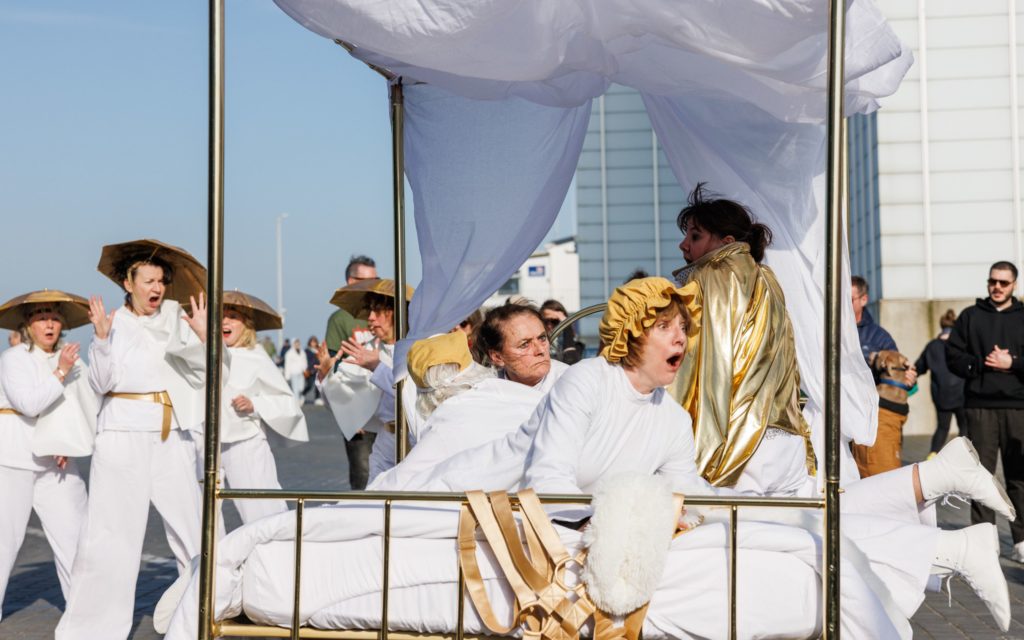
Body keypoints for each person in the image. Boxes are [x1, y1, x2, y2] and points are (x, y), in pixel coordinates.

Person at [56, 247, 210, 640]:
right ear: (128, 284)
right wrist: (103, 340)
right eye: (149, 281)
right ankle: (92, 630)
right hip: (121, 435)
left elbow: (207, 373)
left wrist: (205, 337)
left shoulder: (178, 317)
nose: (157, 288)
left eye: (161, 281)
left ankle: (201, 619)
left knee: (192, 528)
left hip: (170, 432)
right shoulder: (114, 323)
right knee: (110, 534)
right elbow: (101, 383)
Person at [0, 293, 97, 621]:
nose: (49, 322)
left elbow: (82, 408)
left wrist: (66, 441)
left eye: (54, 316)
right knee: (4, 544)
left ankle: (83, 619)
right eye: (41, 316)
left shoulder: (73, 360)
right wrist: (60, 372)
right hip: (14, 460)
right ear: (28, 324)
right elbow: (28, 404)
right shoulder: (14, 358)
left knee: (76, 540)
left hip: (58, 463)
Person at [946, 260, 1024, 562]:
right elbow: (953, 355)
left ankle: (1021, 541)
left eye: (1003, 282)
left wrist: (1012, 363)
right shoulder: (970, 316)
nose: (997, 287)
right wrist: (979, 364)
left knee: (1019, 476)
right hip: (979, 407)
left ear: (1014, 284)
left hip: (1018, 407)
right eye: (993, 281)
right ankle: (983, 539)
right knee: (980, 476)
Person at [219, 292, 309, 524]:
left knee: (260, 508)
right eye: (221, 316)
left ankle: (276, 554)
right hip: (209, 442)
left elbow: (287, 402)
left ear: (246, 324)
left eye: (233, 316)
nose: (225, 321)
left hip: (245, 442)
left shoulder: (256, 357)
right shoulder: (209, 353)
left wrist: (255, 404)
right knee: (205, 510)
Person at [318, 279, 414, 487]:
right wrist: (326, 376)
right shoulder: (364, 349)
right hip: (386, 439)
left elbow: (413, 393)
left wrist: (377, 367)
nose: (370, 318)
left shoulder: (417, 349)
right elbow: (340, 396)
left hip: (417, 441)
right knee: (373, 498)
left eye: (377, 311)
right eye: (369, 311)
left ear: (396, 312)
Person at [848, 275, 917, 476]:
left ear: (863, 299)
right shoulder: (830, 329)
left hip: (871, 419)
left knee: (874, 474)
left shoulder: (879, 337)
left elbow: (900, 371)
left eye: (850, 300)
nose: (844, 304)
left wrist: (908, 376)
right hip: (835, 415)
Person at [916, 309, 967, 457]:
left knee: (942, 428)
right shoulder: (961, 345)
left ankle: (932, 456)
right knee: (965, 427)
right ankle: (960, 457)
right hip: (962, 394)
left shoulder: (932, 346)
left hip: (941, 395)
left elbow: (919, 367)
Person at [324, 255, 376, 357]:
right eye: (369, 281)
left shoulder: (387, 314)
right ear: (352, 282)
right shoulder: (339, 319)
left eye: (377, 280)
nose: (375, 285)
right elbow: (332, 361)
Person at [540, 299, 585, 365]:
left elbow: (571, 362)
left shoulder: (577, 346)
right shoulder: (537, 345)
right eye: (545, 321)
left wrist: (566, 326)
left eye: (554, 321)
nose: (549, 325)